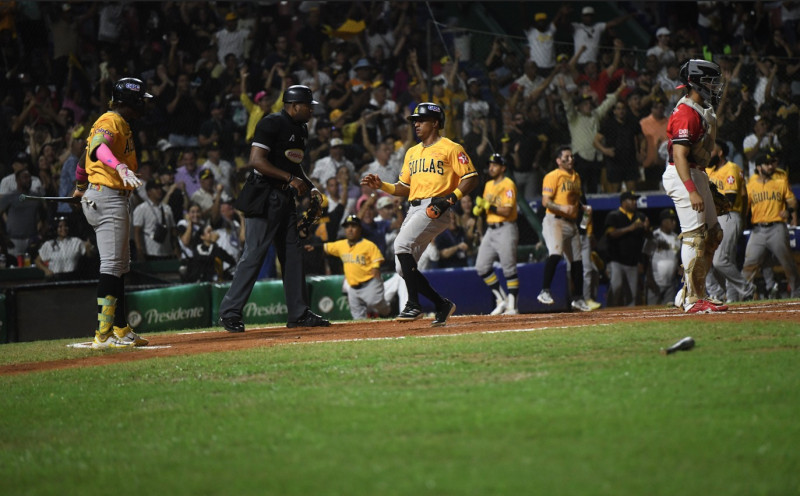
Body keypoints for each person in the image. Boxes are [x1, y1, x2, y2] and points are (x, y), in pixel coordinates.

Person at [218, 85, 330, 332]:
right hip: (264, 194)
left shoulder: (301, 128)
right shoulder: (271, 123)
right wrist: (291, 180)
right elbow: (256, 161)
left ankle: (299, 313)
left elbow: (293, 164)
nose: (312, 110)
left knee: (293, 254)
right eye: (308, 106)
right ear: (293, 105)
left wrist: (309, 187)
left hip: (284, 197)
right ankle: (230, 312)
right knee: (254, 254)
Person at [361, 102, 478, 326]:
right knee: (401, 267)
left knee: (400, 245)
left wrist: (448, 201)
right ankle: (441, 304)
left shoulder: (451, 147)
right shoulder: (412, 152)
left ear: (435, 123)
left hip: (436, 206)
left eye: (420, 120)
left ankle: (413, 304)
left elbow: (471, 178)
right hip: (414, 207)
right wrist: (382, 185)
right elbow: (404, 187)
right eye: (414, 120)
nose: (416, 124)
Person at [73, 77, 152, 348]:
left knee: (119, 266)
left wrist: (80, 186)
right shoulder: (111, 121)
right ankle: (103, 332)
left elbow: (83, 160)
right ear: (129, 101)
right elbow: (97, 149)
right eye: (141, 99)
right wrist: (119, 168)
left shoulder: (118, 123)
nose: (144, 103)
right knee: (111, 266)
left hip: (103, 195)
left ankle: (120, 328)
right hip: (108, 197)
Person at [662, 59, 728, 314]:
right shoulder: (687, 113)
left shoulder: (699, 108)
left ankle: (688, 292)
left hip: (695, 172)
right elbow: (679, 155)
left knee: (713, 236)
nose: (715, 86)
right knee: (696, 237)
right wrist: (691, 189)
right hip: (682, 174)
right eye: (711, 81)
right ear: (698, 82)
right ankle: (693, 299)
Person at [537, 145, 592, 312]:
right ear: (558, 160)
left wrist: (583, 208)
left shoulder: (576, 177)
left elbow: (575, 200)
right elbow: (546, 202)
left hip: (571, 222)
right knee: (556, 252)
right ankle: (544, 291)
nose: (570, 160)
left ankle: (578, 298)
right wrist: (562, 209)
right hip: (555, 220)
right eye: (566, 157)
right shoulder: (553, 176)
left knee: (577, 261)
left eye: (571, 157)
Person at [742, 152, 800, 298]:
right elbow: (745, 208)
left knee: (787, 263)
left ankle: (796, 292)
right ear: (759, 167)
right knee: (749, 265)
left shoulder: (779, 182)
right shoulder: (751, 185)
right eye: (766, 164)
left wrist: (789, 211)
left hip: (777, 228)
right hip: (758, 231)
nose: (770, 166)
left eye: (770, 164)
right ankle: (743, 296)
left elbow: (793, 201)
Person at [705, 140, 755, 302]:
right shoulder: (709, 171)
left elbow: (730, 200)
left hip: (729, 216)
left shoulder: (731, 168)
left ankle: (746, 288)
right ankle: (725, 296)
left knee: (720, 261)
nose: (708, 153)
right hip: (714, 217)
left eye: (712, 150)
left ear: (720, 153)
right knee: (704, 258)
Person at [317, 214, 390, 320]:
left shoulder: (368, 245)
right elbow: (325, 247)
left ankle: (388, 311)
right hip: (353, 287)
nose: (350, 229)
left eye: (353, 226)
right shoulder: (341, 245)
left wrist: (375, 267)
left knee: (377, 304)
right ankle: (364, 335)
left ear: (360, 228)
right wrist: (311, 247)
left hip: (369, 283)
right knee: (358, 318)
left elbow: (377, 259)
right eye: (347, 227)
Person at [473, 154, 519, 315]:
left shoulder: (508, 184)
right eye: (490, 164)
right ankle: (502, 299)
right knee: (482, 266)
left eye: (495, 165)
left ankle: (513, 306)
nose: (491, 167)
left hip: (506, 228)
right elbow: (486, 207)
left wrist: (488, 206)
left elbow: (506, 210)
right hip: (490, 229)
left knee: (508, 268)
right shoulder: (489, 184)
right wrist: (480, 210)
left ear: (503, 168)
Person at [603, 191, 650, 306]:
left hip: (633, 262)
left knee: (632, 295)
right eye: (631, 200)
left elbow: (647, 238)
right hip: (616, 260)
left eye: (635, 199)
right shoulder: (614, 215)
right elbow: (611, 234)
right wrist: (630, 228)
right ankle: (608, 315)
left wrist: (647, 229)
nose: (635, 202)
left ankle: (630, 320)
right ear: (623, 202)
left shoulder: (640, 216)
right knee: (616, 289)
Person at [132, 179, 178, 262]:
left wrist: (176, 248)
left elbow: (173, 230)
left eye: (160, 188)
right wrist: (139, 250)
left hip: (167, 251)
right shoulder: (141, 209)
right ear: (149, 192)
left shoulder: (167, 208)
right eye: (156, 188)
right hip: (149, 252)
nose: (159, 190)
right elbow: (137, 231)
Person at [35, 217, 93, 281]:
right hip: (55, 278)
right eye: (60, 226)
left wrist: (88, 247)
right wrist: (46, 270)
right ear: (56, 228)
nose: (63, 228)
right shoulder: (49, 244)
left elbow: (89, 255)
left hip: (72, 278)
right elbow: (37, 261)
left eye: (66, 226)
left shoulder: (76, 241)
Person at [643, 208, 681, 305]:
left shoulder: (677, 238)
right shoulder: (655, 236)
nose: (674, 222)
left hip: (670, 284)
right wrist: (649, 279)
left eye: (674, 219)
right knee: (651, 312)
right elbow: (646, 259)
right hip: (655, 283)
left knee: (669, 313)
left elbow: (676, 259)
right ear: (663, 222)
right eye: (671, 219)